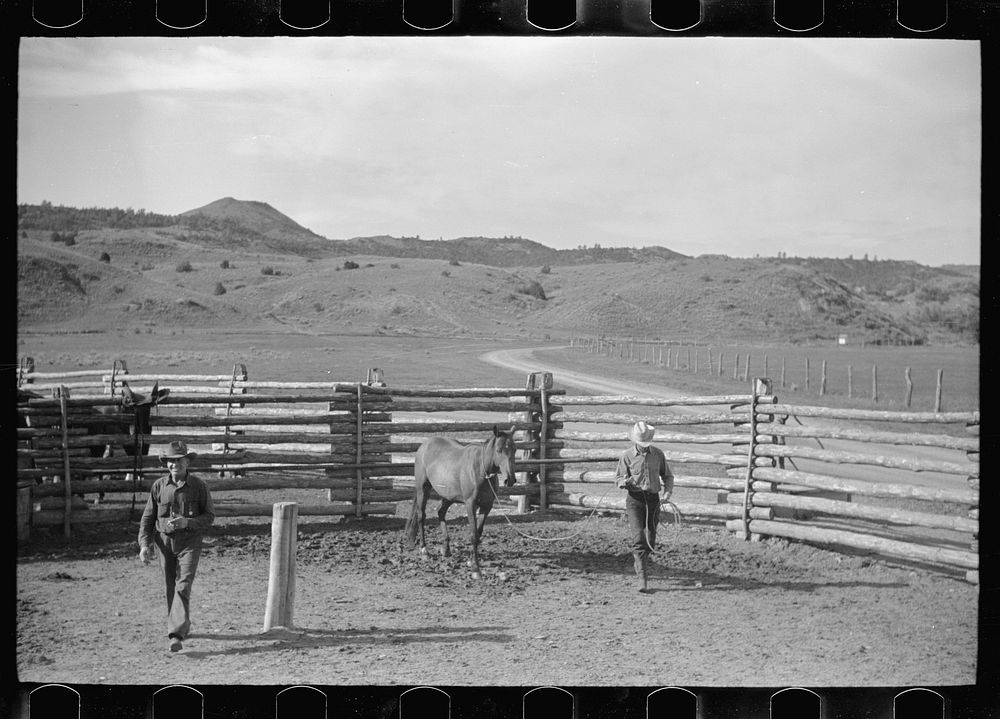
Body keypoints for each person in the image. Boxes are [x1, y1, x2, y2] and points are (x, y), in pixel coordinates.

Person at [138, 441, 215, 652]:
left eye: (179, 461)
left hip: (190, 543)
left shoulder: (199, 486)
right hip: (164, 543)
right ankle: (182, 625)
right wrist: (145, 545)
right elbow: (148, 518)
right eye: (171, 461)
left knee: (183, 583)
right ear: (166, 464)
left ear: (187, 462)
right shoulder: (159, 487)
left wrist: (188, 522)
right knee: (170, 586)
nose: (174, 465)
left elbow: (209, 517)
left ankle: (175, 633)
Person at [615, 421, 674, 592]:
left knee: (651, 537)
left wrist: (667, 493)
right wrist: (625, 482)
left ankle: (642, 561)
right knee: (638, 537)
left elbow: (668, 476)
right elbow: (618, 478)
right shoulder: (626, 456)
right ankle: (643, 577)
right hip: (635, 500)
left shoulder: (658, 454)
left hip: (653, 500)